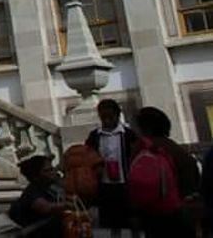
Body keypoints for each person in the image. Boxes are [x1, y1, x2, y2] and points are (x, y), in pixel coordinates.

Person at [130, 106, 198, 238]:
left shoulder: (142, 149)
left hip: (151, 216)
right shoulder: (178, 150)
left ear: (144, 128)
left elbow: (135, 184)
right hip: (179, 214)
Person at [84, 99, 139, 237]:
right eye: (103, 118)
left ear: (118, 115)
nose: (107, 121)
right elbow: (87, 156)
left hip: (125, 184)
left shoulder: (128, 135)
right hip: (104, 185)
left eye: (110, 117)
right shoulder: (95, 136)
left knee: (128, 221)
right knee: (108, 224)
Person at [9, 155, 69, 237]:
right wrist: (67, 205)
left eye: (52, 169)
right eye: (47, 171)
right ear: (36, 175)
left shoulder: (50, 188)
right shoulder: (32, 191)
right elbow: (45, 207)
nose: (52, 173)